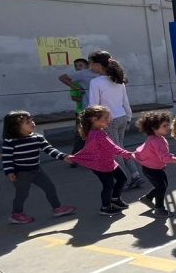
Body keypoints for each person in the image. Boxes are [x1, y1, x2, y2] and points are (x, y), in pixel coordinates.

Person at [1, 111, 75, 224]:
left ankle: (57, 208)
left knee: (50, 188)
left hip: (37, 170)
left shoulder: (38, 137)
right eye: (27, 122)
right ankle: (16, 214)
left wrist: (63, 156)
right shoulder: (10, 142)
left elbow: (49, 149)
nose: (32, 123)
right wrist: (9, 172)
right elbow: (7, 158)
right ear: (15, 127)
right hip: (21, 174)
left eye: (32, 120)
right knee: (22, 194)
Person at [87, 50, 142, 189]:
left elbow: (94, 105)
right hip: (122, 117)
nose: (90, 67)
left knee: (113, 151)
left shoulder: (95, 82)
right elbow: (125, 101)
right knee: (119, 148)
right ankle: (135, 175)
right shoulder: (118, 80)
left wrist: (92, 123)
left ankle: (123, 181)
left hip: (108, 121)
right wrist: (128, 117)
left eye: (91, 64)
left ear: (99, 65)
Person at [70, 105, 137, 217]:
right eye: (106, 118)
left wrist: (124, 153)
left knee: (122, 178)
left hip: (108, 161)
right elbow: (113, 147)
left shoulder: (97, 130)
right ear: (94, 119)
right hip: (99, 165)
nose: (109, 120)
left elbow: (111, 146)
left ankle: (115, 199)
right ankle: (105, 207)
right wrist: (126, 154)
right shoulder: (98, 134)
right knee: (108, 185)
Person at [134, 110, 176, 217]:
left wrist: (171, 158)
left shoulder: (157, 138)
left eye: (168, 125)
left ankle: (147, 198)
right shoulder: (156, 141)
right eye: (164, 126)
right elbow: (164, 156)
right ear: (154, 128)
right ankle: (159, 209)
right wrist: (174, 159)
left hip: (153, 167)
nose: (168, 127)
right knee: (161, 186)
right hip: (151, 169)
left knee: (162, 185)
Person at [58, 58, 97, 156]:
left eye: (80, 65)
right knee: (80, 135)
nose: (78, 68)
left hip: (93, 111)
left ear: (87, 66)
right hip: (81, 111)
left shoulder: (93, 78)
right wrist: (82, 93)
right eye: (76, 66)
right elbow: (74, 98)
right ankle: (75, 156)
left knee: (93, 135)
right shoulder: (75, 82)